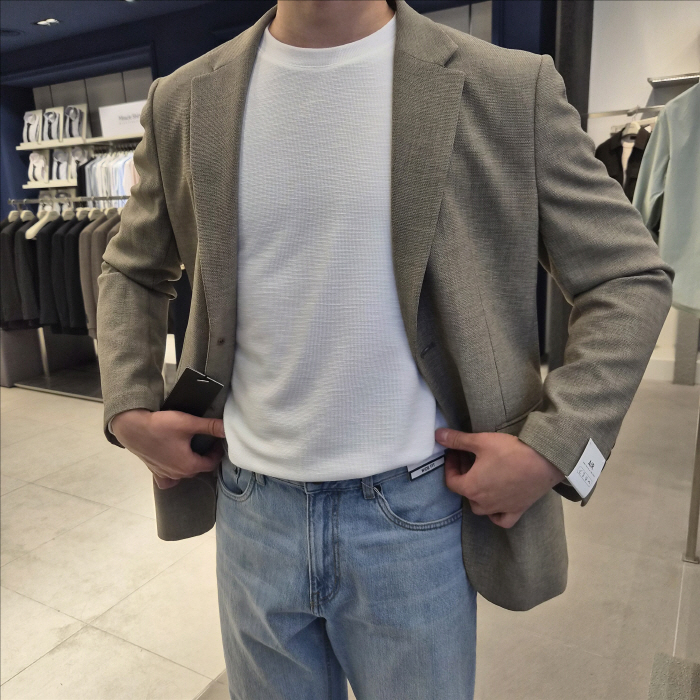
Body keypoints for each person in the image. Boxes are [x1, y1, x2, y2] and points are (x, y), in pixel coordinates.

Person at [96, 1, 674, 699]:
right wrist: (127, 406)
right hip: (250, 512)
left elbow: (627, 277)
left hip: (417, 519)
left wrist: (558, 449)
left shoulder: (506, 87)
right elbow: (131, 267)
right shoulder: (185, 99)